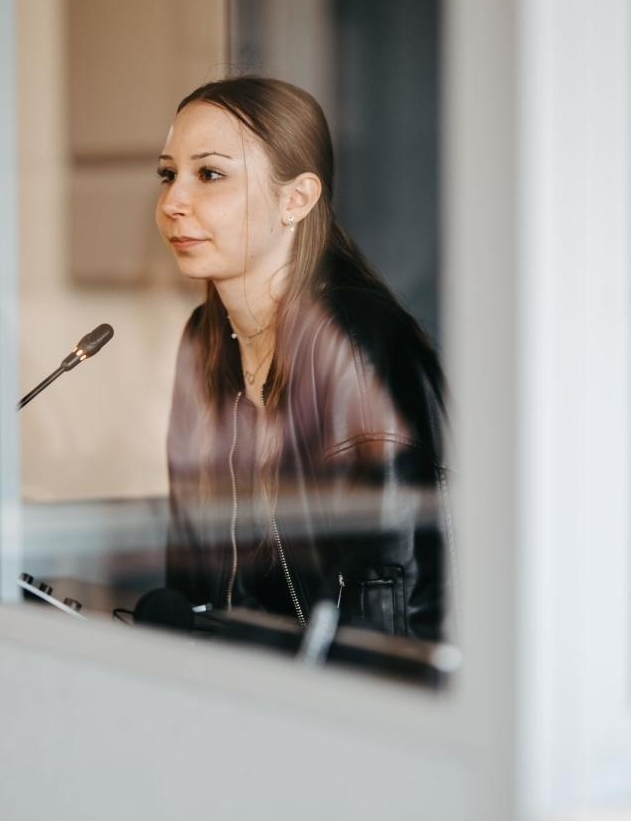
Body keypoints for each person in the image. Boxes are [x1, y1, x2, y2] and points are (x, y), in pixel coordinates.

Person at [159, 76, 452, 644]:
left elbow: (400, 597)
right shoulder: (204, 339)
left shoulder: (353, 338)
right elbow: (189, 566)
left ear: (295, 199)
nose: (173, 202)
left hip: (353, 701)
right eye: (168, 174)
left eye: (210, 174)